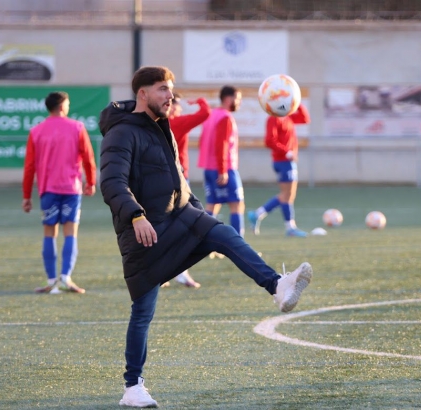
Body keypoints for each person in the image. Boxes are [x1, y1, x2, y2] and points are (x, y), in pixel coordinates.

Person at [99, 66, 313, 408]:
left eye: (170, 89)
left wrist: (197, 211)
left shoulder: (162, 127)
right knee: (143, 311)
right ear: (142, 93)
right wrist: (136, 215)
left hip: (180, 218)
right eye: (161, 90)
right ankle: (132, 388)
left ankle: (277, 286)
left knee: (223, 234)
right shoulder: (121, 133)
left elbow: (178, 181)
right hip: (147, 235)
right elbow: (111, 183)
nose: (169, 96)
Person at [22, 91, 97, 294]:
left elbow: (29, 167)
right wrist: (91, 182)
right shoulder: (77, 127)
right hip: (71, 189)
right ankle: (65, 278)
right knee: (70, 232)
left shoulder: (36, 131)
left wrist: (27, 196)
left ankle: (51, 280)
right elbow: (89, 157)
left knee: (49, 233)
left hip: (48, 189)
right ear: (63, 106)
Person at [166, 92, 211, 288]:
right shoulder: (174, 122)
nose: (180, 108)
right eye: (178, 104)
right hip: (177, 179)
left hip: (160, 179)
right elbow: (205, 113)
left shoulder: (156, 123)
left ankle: (162, 272)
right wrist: (199, 101)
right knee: (186, 226)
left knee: (163, 227)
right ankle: (180, 272)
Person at [248, 103, 310, 237]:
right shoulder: (274, 118)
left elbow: (305, 119)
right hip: (282, 161)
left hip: (288, 161)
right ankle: (288, 227)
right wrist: (287, 152)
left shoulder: (288, 116)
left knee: (287, 195)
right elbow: (269, 140)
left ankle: (260, 215)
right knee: (287, 195)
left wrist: (297, 102)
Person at [197, 85, 245, 237]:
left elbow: (201, 141)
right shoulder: (225, 117)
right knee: (237, 205)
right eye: (237, 99)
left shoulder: (211, 115)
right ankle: (240, 244)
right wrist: (223, 170)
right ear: (228, 99)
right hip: (224, 168)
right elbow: (222, 144)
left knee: (212, 205)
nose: (239, 103)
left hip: (209, 168)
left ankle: (205, 242)